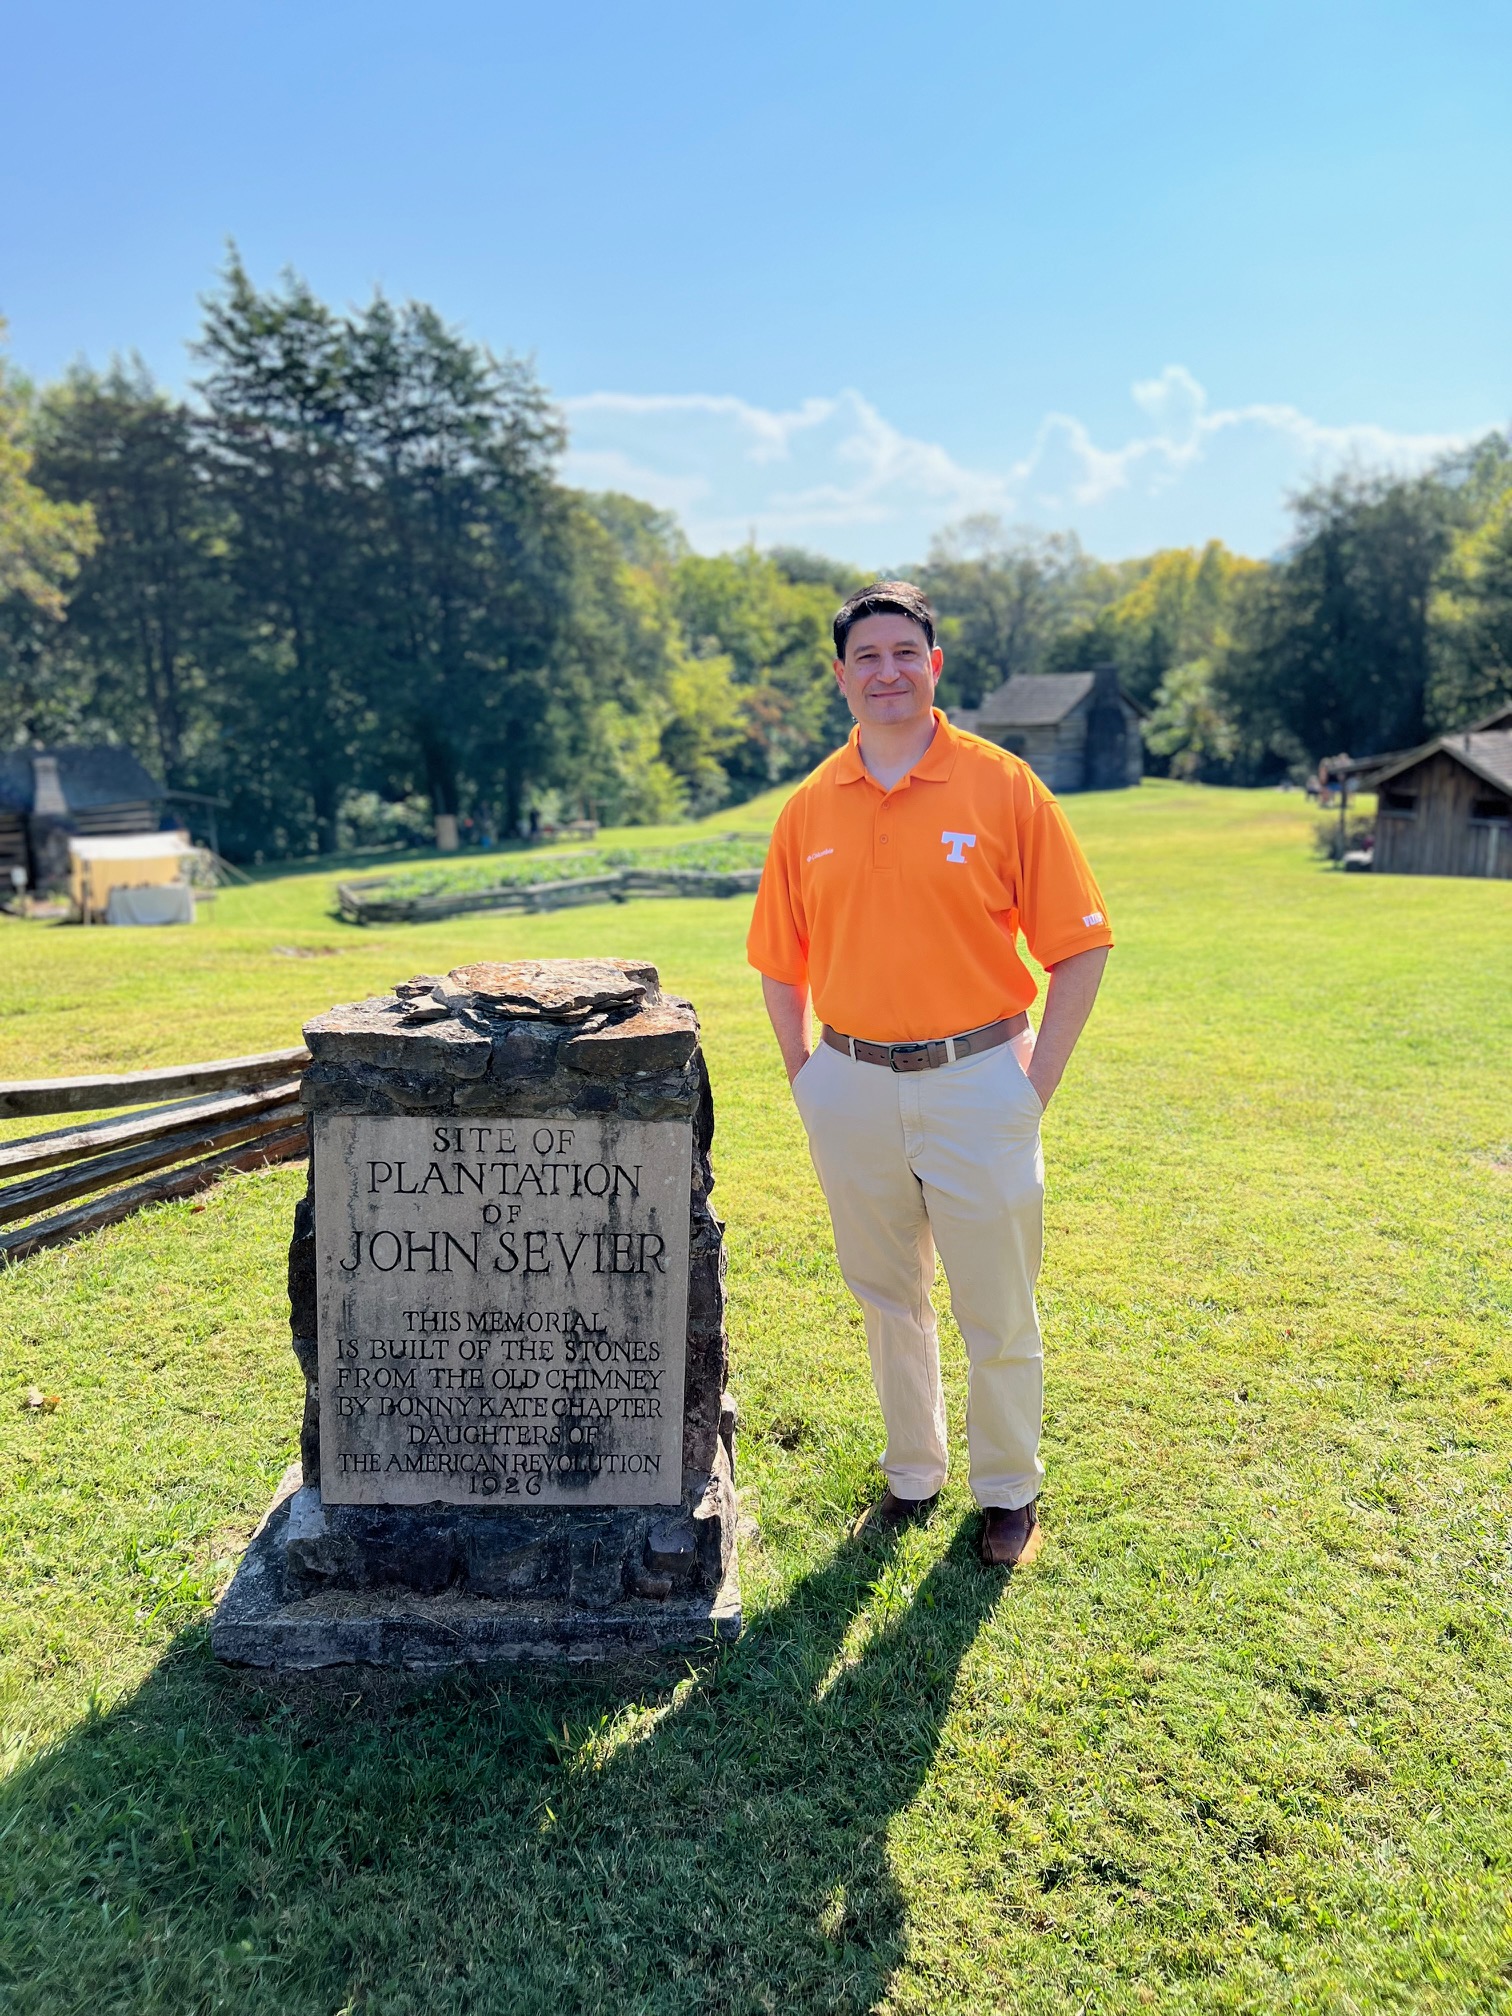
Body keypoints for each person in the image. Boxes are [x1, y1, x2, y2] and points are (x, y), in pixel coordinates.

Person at [746, 581, 1113, 1567]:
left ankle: (1008, 1491)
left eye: (905, 652)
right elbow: (780, 962)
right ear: (841, 677)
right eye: (867, 657)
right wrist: (807, 1078)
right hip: (850, 1082)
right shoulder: (809, 807)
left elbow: (1081, 944)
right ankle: (913, 1473)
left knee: (997, 1303)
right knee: (886, 1297)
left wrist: (1033, 1086)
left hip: (979, 1077)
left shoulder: (1003, 785)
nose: (888, 672)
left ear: (934, 664)